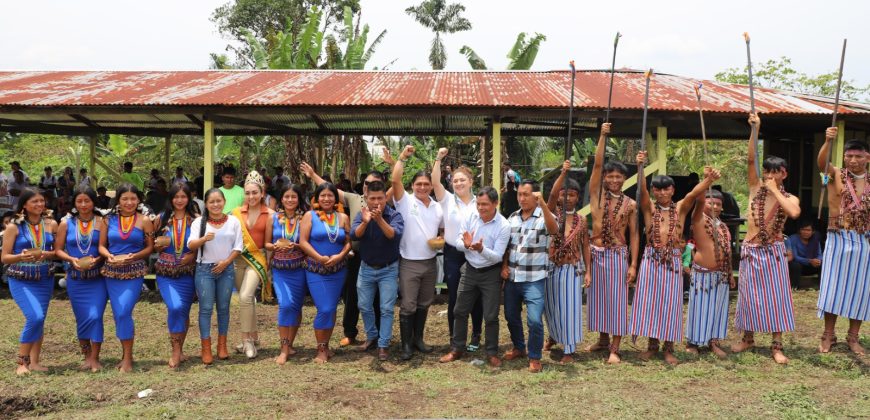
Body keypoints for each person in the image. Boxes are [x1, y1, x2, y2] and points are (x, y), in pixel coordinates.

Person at [629, 156, 718, 366]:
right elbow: (642, 192)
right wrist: (641, 167)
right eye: (658, 189)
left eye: (666, 189)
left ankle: (668, 348)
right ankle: (652, 345)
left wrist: (708, 180)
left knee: (670, 304)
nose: (662, 193)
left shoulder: (680, 208)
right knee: (650, 302)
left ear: (672, 190)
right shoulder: (649, 208)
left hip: (673, 260)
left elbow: (693, 194)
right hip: (651, 258)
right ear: (653, 191)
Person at [732, 113, 801, 364]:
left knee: (777, 297)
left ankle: (777, 345)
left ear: (784, 174)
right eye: (768, 171)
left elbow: (794, 213)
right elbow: (751, 159)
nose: (770, 175)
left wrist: (775, 190)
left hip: (773, 251)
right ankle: (748, 338)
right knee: (748, 295)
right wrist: (755, 130)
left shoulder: (790, 197)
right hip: (752, 250)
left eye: (776, 172)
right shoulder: (755, 188)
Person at [300, 160, 391, 348]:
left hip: (377, 256)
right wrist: (313, 174)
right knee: (352, 296)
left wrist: (396, 162)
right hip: (355, 255)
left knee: (376, 298)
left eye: (374, 183)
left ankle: (376, 335)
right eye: (366, 183)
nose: (369, 186)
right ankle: (350, 333)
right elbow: (330, 191)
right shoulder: (354, 199)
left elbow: (397, 184)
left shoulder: (383, 199)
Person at [585, 123, 639, 364]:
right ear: (604, 179)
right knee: (598, 299)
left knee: (617, 301)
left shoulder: (630, 204)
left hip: (618, 255)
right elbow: (597, 165)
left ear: (625, 179)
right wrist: (602, 136)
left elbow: (635, 235)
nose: (614, 180)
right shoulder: (596, 195)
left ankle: (615, 348)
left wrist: (633, 264)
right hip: (596, 253)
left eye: (619, 176)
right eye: (610, 176)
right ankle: (603, 340)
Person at [439, 187, 510, 367]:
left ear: (495, 203)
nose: (480, 208)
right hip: (470, 270)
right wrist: (466, 245)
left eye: (485, 204)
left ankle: (492, 352)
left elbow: (498, 256)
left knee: (491, 315)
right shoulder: (470, 217)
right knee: (459, 310)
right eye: (478, 204)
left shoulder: (503, 225)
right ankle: (457, 348)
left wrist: (481, 249)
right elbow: (458, 242)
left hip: (491, 273)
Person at [816, 128, 869, 356]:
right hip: (838, 237)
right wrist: (828, 141)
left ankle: (853, 337)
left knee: (861, 289)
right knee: (832, 288)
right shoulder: (835, 174)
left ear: (867, 157)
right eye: (849, 156)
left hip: (864, 239)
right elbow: (822, 163)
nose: (853, 160)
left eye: (858, 156)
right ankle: (828, 335)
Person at [392, 145, 444, 360]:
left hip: (430, 262)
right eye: (418, 184)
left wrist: (441, 238)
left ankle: (418, 339)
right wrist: (402, 158)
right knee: (408, 304)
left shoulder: (437, 207)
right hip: (409, 262)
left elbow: (443, 230)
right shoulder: (405, 201)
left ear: (431, 186)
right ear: (412, 186)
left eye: (426, 184)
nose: (422, 187)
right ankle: (406, 345)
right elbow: (395, 180)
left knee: (424, 302)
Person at [501, 181, 558, 372]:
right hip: (513, 278)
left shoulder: (544, 216)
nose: (522, 198)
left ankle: (535, 356)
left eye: (526, 194)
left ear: (535, 196)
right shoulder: (512, 217)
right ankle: (519, 347)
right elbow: (508, 246)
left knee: (534, 320)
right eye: (520, 194)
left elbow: (554, 230)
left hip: (534, 279)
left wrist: (544, 205)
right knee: (511, 316)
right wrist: (504, 266)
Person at [98, 183, 155, 373]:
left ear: (139, 200)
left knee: (123, 311)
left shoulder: (144, 220)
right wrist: (108, 255)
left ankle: (128, 358)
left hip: (134, 272)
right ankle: (125, 355)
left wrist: (135, 256)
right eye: (125, 199)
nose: (129, 202)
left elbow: (150, 247)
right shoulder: (108, 220)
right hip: (112, 272)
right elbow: (101, 245)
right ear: (118, 200)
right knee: (118, 314)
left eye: (133, 198)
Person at [431, 148, 484, 352]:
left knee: (476, 296)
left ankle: (476, 335)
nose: (459, 183)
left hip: (475, 253)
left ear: (471, 182)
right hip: (453, 254)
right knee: (454, 295)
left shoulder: (479, 202)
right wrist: (438, 158)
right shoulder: (447, 200)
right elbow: (435, 182)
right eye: (455, 180)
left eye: (462, 180)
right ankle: (455, 337)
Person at [2, 188, 57, 375]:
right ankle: (21, 362)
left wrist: (46, 254)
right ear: (24, 204)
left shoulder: (51, 224)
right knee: (35, 317)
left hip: (44, 277)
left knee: (40, 320)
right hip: (21, 278)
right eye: (34, 201)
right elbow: (5, 257)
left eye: (42, 201)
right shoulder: (14, 226)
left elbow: (57, 251)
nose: (39, 204)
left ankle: (34, 362)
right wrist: (21, 256)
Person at [298, 182, 352, 363]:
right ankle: (320, 349)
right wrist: (319, 257)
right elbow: (303, 241)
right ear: (316, 198)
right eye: (323, 195)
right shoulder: (310, 216)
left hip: (338, 269)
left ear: (336, 198)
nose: (326, 199)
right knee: (325, 308)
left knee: (332, 308)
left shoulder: (343, 217)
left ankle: (326, 345)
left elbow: (349, 241)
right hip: (316, 269)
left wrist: (340, 256)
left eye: (330, 195)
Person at [187, 188, 243, 364]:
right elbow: (191, 245)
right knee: (205, 309)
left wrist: (226, 262)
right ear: (206, 204)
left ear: (224, 201)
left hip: (226, 269)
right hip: (205, 270)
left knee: (224, 308)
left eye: (219, 201)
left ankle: (222, 345)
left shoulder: (233, 221)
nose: (216, 204)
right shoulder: (199, 222)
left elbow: (238, 247)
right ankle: (206, 348)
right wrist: (203, 239)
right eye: (211, 202)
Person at [543, 164, 591, 364]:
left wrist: (588, 272)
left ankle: (569, 350)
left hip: (572, 269)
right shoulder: (553, 214)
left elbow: (585, 246)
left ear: (577, 198)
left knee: (570, 308)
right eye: (564, 195)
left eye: (571, 195)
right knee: (551, 306)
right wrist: (563, 173)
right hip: (551, 267)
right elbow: (552, 196)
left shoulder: (582, 220)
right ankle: (554, 335)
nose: (567, 198)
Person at [54, 187, 106, 372]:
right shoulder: (66, 223)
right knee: (82, 318)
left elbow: (105, 247)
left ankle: (95, 357)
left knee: (95, 316)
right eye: (79, 201)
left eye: (87, 201)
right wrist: (71, 259)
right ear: (74, 203)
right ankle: (86, 356)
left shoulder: (101, 222)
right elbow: (58, 249)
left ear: (93, 202)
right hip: (75, 279)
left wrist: (97, 259)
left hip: (97, 279)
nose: (83, 205)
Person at [351, 180, 404, 361]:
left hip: (388, 269)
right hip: (366, 268)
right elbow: (354, 235)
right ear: (366, 198)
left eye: (380, 198)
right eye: (372, 198)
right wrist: (365, 222)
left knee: (386, 308)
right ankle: (372, 336)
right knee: (364, 305)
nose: (376, 202)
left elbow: (393, 235)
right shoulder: (361, 214)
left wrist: (379, 219)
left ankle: (383, 344)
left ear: (385, 198)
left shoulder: (394, 215)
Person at [153, 183, 199, 368]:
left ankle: (180, 349)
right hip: (166, 272)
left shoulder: (196, 220)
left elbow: (204, 245)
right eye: (176, 197)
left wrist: (193, 255)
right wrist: (157, 246)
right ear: (171, 199)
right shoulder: (161, 219)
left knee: (184, 311)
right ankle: (175, 351)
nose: (179, 200)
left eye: (183, 197)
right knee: (175, 307)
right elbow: (150, 244)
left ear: (189, 198)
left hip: (187, 272)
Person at [685, 184, 734, 358]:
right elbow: (698, 202)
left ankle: (713, 341)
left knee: (718, 308)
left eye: (718, 204)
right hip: (702, 274)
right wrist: (707, 180)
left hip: (721, 275)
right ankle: (692, 342)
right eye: (710, 203)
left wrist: (730, 274)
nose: (715, 206)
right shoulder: (699, 219)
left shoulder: (723, 226)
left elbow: (727, 251)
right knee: (699, 308)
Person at [264, 184, 310, 365]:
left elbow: (308, 243)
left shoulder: (305, 218)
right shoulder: (273, 218)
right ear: (281, 199)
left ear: (299, 199)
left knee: (296, 307)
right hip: (280, 269)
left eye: (294, 197)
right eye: (286, 197)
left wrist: (296, 246)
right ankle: (283, 349)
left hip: (299, 268)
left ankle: (290, 343)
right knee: (285, 305)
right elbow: (266, 244)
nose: (290, 200)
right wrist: (275, 246)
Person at [230, 171, 274, 359]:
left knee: (245, 296)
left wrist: (269, 266)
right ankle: (254, 337)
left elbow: (269, 243)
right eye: (247, 193)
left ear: (262, 193)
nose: (251, 196)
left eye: (255, 192)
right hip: (238, 260)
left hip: (258, 259)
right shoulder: (235, 213)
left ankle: (246, 340)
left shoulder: (270, 214)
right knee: (247, 300)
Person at [785, 219, 823, 289]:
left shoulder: (815, 239)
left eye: (808, 230)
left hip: (812, 265)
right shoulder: (793, 238)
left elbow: (820, 254)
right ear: (799, 230)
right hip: (799, 266)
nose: (805, 232)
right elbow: (795, 257)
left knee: (823, 263)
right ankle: (794, 287)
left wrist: (818, 260)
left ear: (813, 232)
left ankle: (820, 286)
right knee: (795, 265)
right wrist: (809, 261)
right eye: (803, 229)